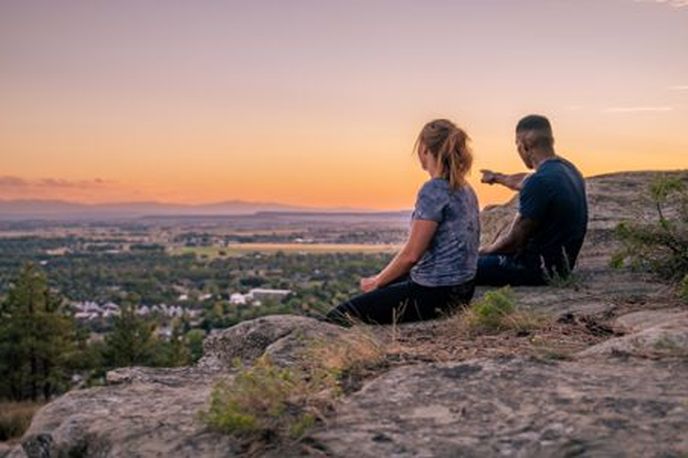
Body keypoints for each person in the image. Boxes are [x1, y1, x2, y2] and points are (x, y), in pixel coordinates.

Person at [325, 119, 480, 326]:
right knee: (383, 287)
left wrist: (377, 281)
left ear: (424, 149)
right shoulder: (465, 189)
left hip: (434, 292)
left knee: (340, 315)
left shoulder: (434, 190)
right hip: (462, 290)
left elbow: (411, 255)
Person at [477, 114, 588, 286]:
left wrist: (482, 252)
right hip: (561, 267)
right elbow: (526, 180)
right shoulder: (568, 169)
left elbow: (513, 242)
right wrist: (496, 177)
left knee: (458, 267)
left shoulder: (540, 182)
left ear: (525, 146)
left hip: (534, 270)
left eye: (517, 144)